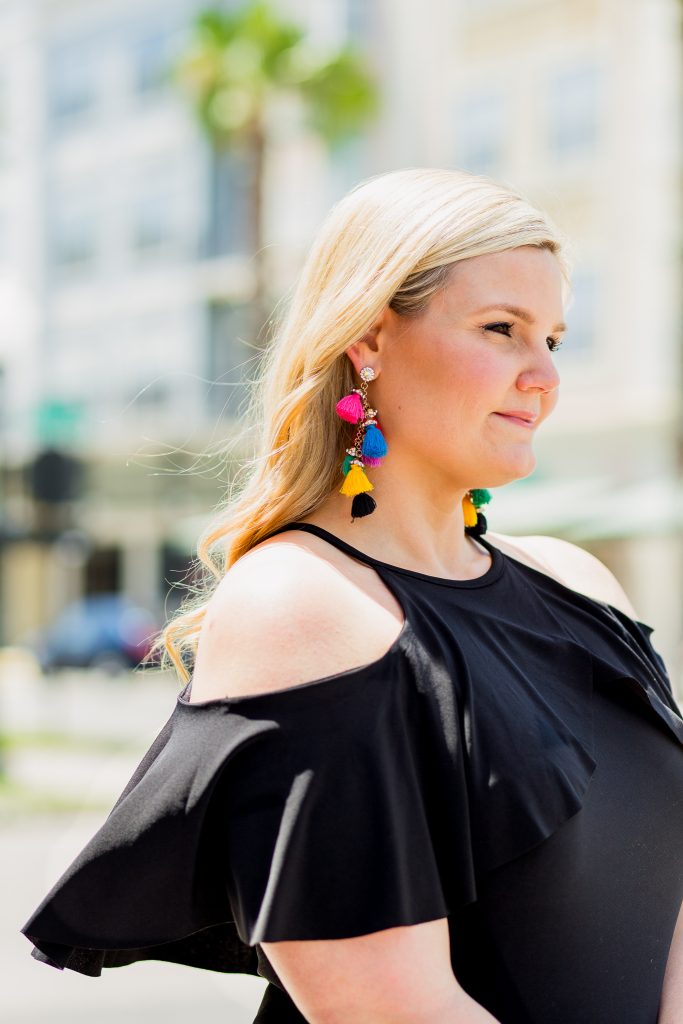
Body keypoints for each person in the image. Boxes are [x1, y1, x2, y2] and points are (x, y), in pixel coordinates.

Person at [20, 167, 683, 1023]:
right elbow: (384, 1007)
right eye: (500, 329)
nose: (543, 375)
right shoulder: (303, 605)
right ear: (368, 341)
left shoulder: (577, 581)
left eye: (551, 339)